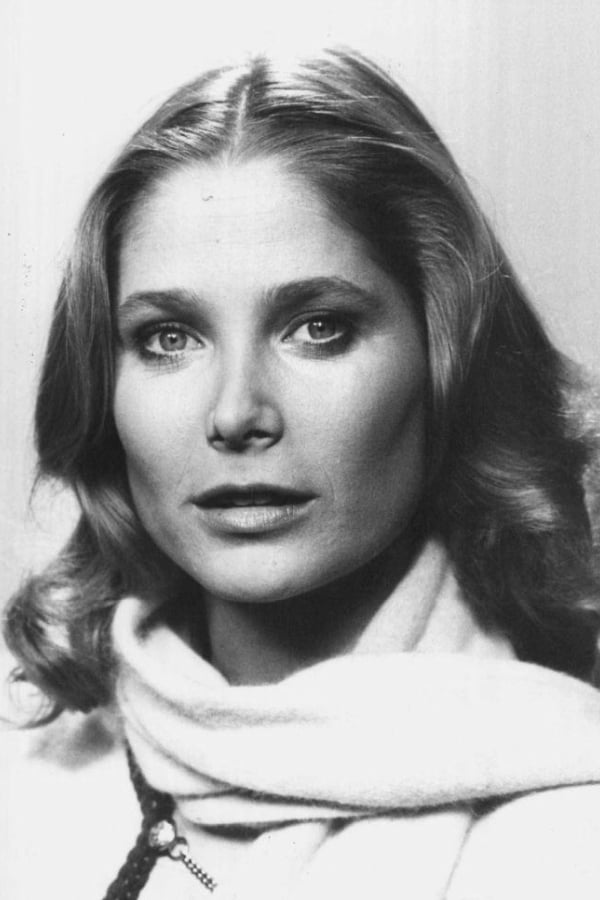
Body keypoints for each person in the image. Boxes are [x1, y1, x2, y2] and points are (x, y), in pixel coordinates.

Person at [2, 48, 600, 900]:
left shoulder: (571, 834)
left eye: (318, 327)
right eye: (169, 338)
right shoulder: (27, 777)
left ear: (445, 357)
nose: (236, 413)